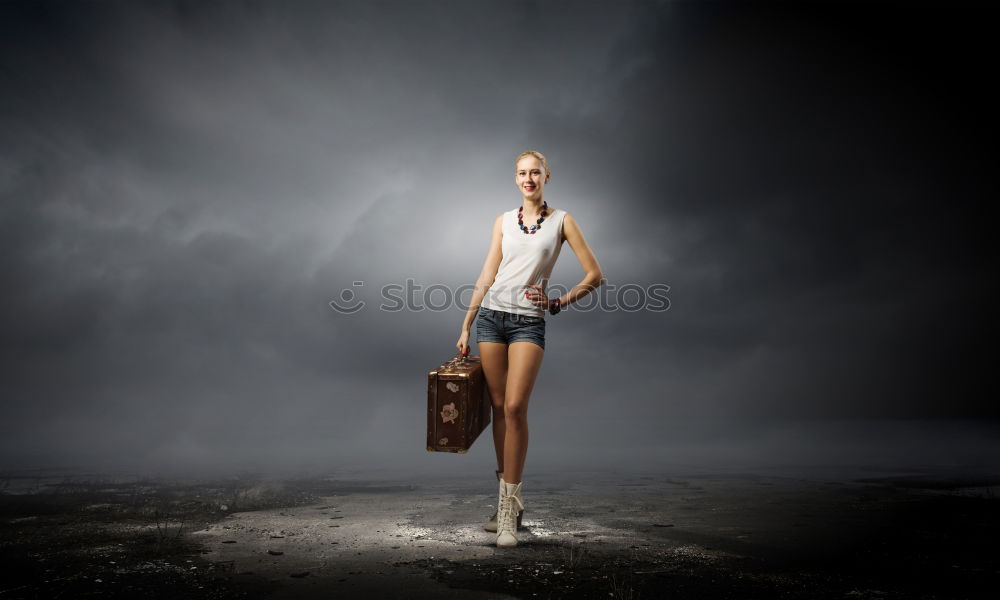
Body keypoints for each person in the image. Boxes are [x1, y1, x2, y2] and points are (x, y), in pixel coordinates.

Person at [456, 150, 604, 548]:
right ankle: (507, 505)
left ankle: (509, 510)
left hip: (527, 323)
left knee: (516, 408)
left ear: (547, 176)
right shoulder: (503, 221)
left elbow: (595, 275)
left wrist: (558, 302)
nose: (528, 178)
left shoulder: (562, 221)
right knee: (498, 406)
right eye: (522, 173)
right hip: (490, 318)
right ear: (515, 178)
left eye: (535, 172)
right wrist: (467, 323)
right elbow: (488, 270)